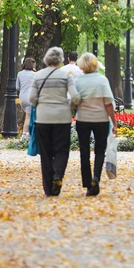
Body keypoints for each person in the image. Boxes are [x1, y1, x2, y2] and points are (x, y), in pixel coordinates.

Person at [29, 46, 80, 196]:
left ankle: (48, 189)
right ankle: (58, 175)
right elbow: (75, 97)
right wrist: (67, 105)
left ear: (46, 59)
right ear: (60, 60)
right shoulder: (66, 76)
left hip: (43, 118)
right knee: (62, 150)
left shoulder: (38, 76)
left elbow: (31, 98)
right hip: (62, 118)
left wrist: (42, 104)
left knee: (45, 153)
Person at [73, 52, 117, 197]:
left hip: (83, 120)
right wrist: (115, 123)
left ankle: (87, 182)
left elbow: (74, 101)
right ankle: (96, 178)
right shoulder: (102, 80)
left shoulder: (78, 81)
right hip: (101, 120)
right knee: (99, 151)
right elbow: (108, 104)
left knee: (84, 152)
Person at [17, 57, 37, 135]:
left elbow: (17, 87)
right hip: (30, 98)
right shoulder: (35, 74)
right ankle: (24, 135)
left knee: (28, 115)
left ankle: (29, 133)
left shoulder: (20, 73)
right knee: (28, 117)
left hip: (22, 98)